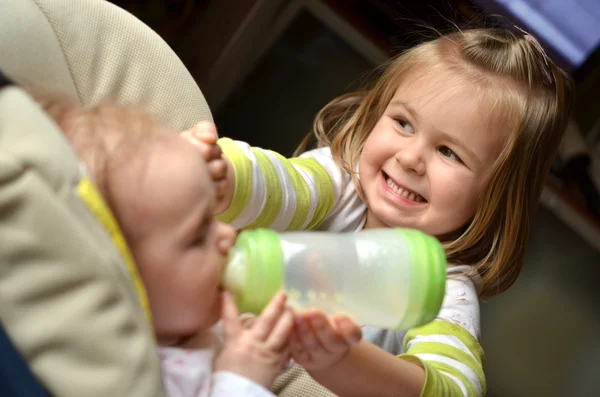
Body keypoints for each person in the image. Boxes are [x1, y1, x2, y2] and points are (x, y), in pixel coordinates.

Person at [183, 26, 573, 397]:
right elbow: (280, 185)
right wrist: (220, 172)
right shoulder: (339, 183)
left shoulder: (444, 289)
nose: (410, 159)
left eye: (449, 152)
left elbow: (456, 387)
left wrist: (344, 359)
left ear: (497, 196)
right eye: (403, 123)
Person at [34, 95, 296, 397]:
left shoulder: (183, 320)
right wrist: (243, 381)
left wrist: (261, 340)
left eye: (212, 216)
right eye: (198, 235)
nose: (228, 234)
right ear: (117, 279)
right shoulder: (121, 376)